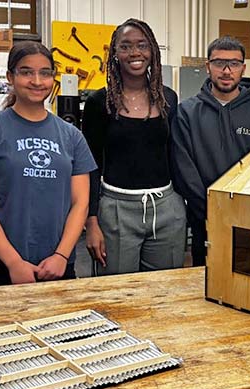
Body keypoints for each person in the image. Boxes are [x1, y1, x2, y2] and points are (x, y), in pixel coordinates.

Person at [0, 41, 96, 287]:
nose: (36, 80)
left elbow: (80, 203)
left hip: (58, 264)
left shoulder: (72, 136)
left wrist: (61, 256)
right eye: (26, 72)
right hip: (0, 265)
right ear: (10, 77)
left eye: (45, 73)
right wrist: (14, 262)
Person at [81, 18, 186, 275]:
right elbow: (89, 167)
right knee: (115, 295)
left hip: (166, 209)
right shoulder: (99, 102)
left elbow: (173, 156)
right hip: (116, 211)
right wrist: (91, 222)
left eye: (142, 45)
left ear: (152, 52)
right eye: (125, 46)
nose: (135, 53)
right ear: (115, 54)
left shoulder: (167, 98)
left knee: (164, 293)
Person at [170, 36, 250, 267]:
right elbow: (184, 169)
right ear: (208, 66)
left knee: (248, 281)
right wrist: (212, 210)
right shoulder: (187, 113)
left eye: (234, 63)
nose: (227, 70)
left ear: (243, 68)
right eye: (219, 63)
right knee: (203, 282)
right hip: (205, 220)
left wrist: (246, 209)